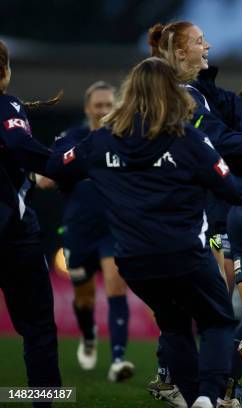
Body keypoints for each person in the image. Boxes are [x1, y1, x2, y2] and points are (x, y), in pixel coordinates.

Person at [46, 57, 242, 408]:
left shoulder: (102, 141)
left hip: (135, 260)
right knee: (216, 322)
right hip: (185, 253)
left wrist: (62, 147)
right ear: (173, 93)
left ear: (129, 93)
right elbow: (231, 188)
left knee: (173, 327)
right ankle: (209, 396)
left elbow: (57, 168)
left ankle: (191, 398)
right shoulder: (189, 138)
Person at [144, 22, 242, 408]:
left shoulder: (199, 93)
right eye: (199, 42)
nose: (207, 45)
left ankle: (193, 387)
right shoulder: (184, 95)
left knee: (194, 313)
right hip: (193, 216)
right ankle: (212, 393)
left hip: (183, 217)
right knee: (214, 314)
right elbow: (222, 143)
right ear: (178, 52)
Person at [39, 81, 134, 381]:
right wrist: (49, 175)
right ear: (87, 108)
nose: (104, 111)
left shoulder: (125, 140)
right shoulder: (72, 138)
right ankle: (89, 335)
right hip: (78, 231)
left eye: (109, 105)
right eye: (99, 105)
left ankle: (118, 359)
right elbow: (46, 178)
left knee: (116, 287)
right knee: (85, 299)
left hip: (113, 229)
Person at [0, 39, 62, 408]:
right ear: (5, 71)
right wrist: (64, 162)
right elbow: (19, 145)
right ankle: (43, 402)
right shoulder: (7, 104)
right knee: (38, 327)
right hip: (13, 236)